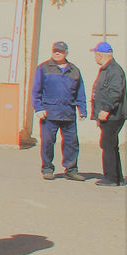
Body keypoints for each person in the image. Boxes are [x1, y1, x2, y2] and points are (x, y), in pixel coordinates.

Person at [31, 41, 89, 181]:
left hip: (68, 113)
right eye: (55, 50)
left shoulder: (74, 70)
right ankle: (47, 169)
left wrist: (82, 110)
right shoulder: (43, 68)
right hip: (49, 114)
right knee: (48, 142)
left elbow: (80, 92)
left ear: (66, 53)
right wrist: (38, 108)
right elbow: (36, 91)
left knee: (71, 143)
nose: (57, 53)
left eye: (60, 51)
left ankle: (71, 170)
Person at [92, 42, 124, 187]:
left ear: (100, 55)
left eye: (95, 54)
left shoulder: (114, 70)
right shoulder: (106, 69)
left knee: (108, 144)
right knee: (111, 145)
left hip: (112, 115)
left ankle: (111, 178)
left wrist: (106, 109)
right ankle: (117, 177)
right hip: (109, 114)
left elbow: (116, 92)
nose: (94, 57)